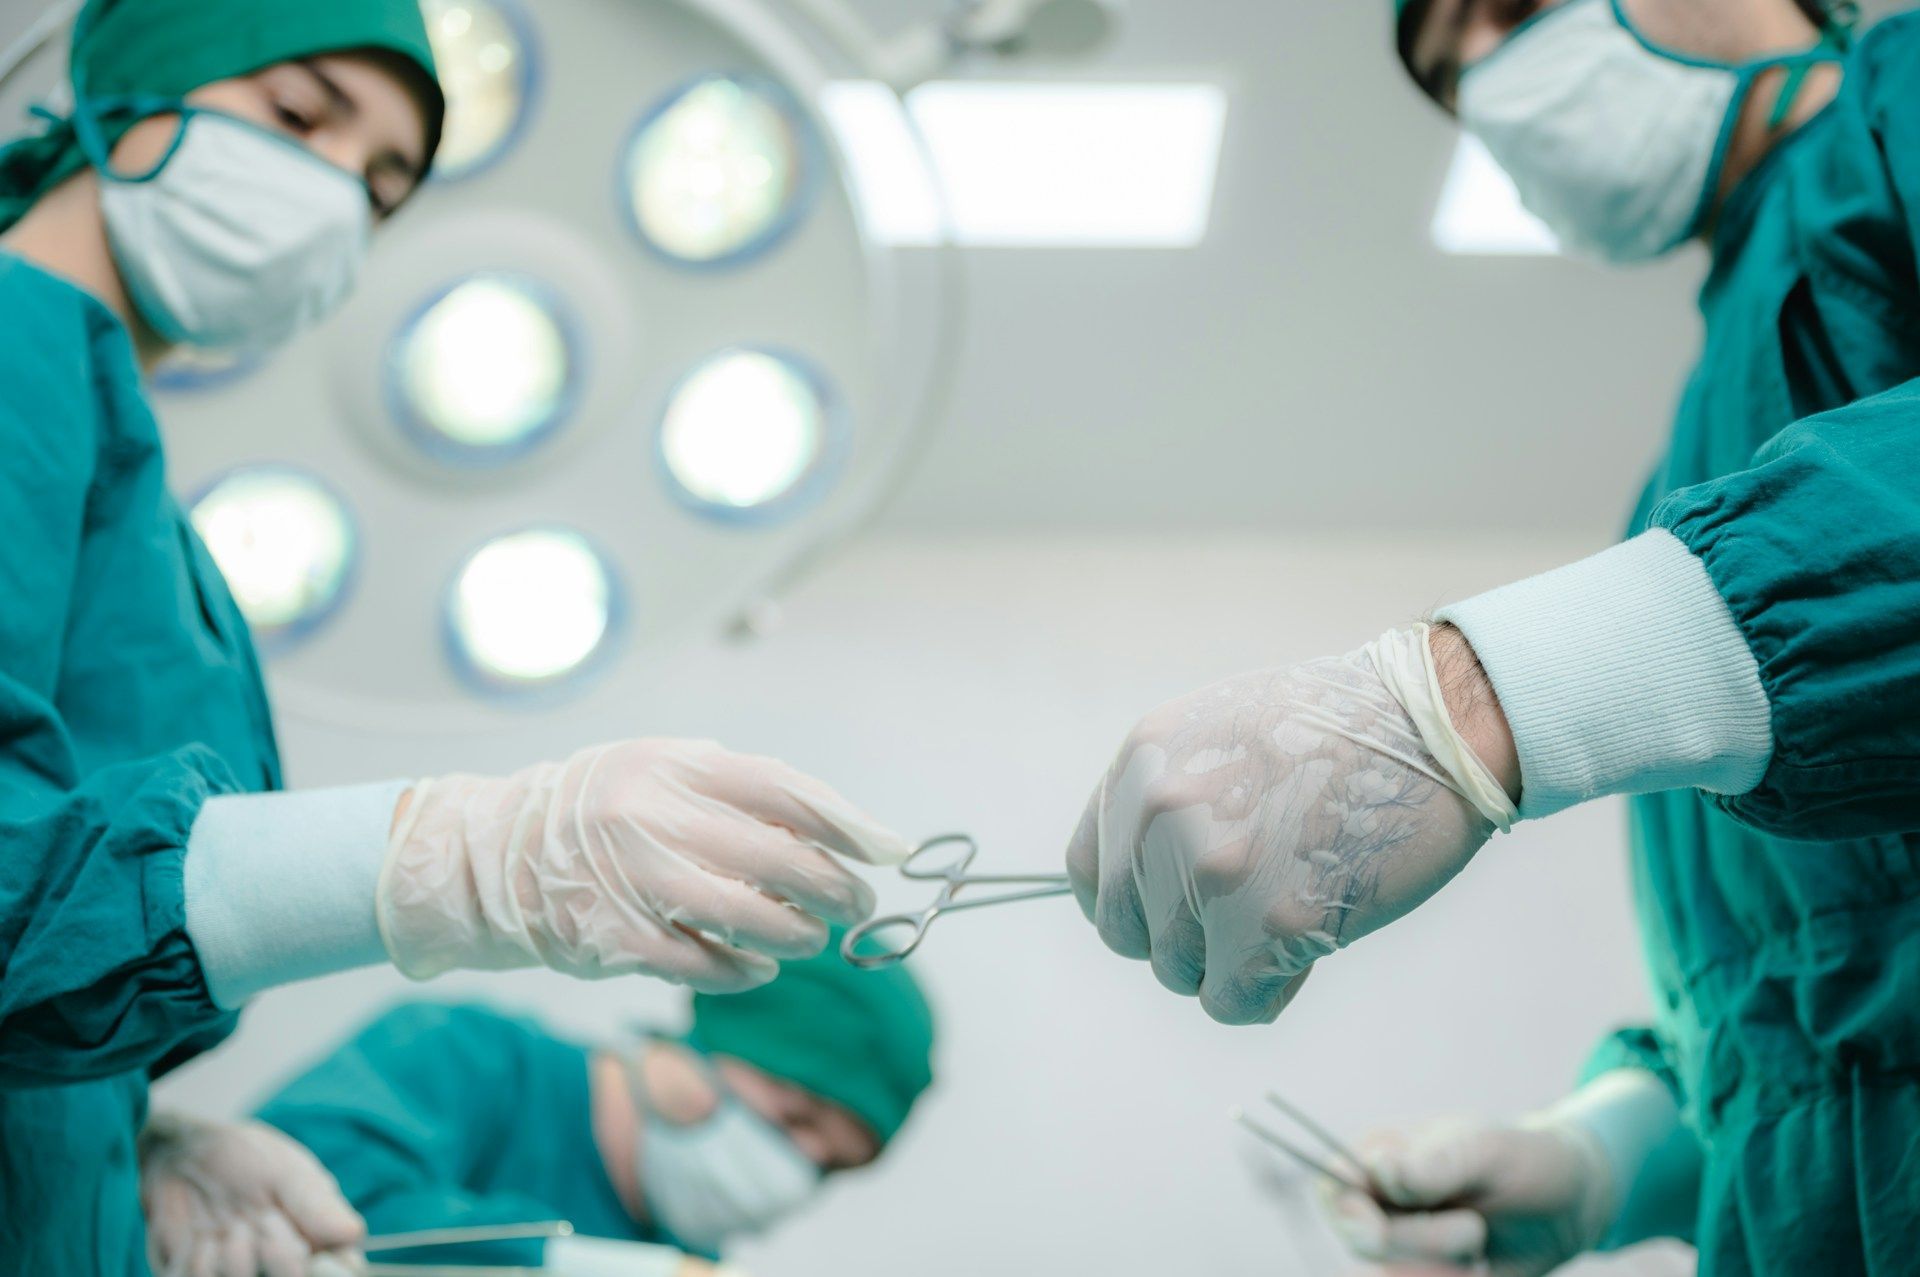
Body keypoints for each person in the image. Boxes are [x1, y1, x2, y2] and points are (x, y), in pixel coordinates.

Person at [0, 2, 907, 1273]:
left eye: (379, 187)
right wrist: (461, 852)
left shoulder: (159, 528)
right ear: (135, 85)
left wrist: (135, 1138)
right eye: (300, 115)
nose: (332, 195)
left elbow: (51, 967)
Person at [1064, 0, 1920, 1273]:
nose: (1484, 75)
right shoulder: (1682, 496)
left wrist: (1480, 696)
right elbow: (1819, 1002)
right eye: (1448, 76)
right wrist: (1612, 1156)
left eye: (1509, 10)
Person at [252, 941, 935, 1274]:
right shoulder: (468, 1056)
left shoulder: (687, 1251)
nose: (794, 1170)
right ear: (716, 1042)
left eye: (829, 1167)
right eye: (795, 1120)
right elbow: (284, 1213)